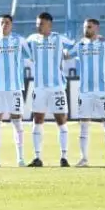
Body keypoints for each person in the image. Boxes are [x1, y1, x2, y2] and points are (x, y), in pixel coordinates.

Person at [67, 19, 105, 167]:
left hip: (102, 92)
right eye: (84, 27)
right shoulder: (80, 45)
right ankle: (84, 159)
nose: (86, 29)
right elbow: (67, 55)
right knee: (83, 126)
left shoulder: (104, 44)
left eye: (89, 27)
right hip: (85, 92)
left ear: (96, 28)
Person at [24, 13, 71, 167]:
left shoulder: (60, 38)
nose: (38, 26)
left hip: (57, 87)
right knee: (37, 120)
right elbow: (20, 49)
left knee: (61, 121)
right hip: (39, 87)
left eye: (41, 23)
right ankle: (37, 157)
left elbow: (76, 46)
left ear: (50, 24)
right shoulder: (32, 39)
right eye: (37, 23)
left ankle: (64, 157)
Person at [0, 14, 32, 167]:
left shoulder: (19, 40)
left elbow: (31, 54)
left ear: (11, 25)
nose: (4, 25)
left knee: (17, 122)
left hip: (14, 87)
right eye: (2, 22)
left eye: (7, 23)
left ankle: (20, 158)